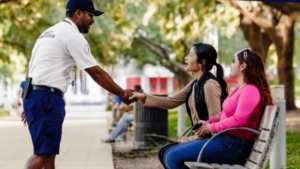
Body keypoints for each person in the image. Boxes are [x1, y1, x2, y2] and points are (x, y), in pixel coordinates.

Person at [20, 0, 135, 168]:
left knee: (49, 152)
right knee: (42, 154)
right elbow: (96, 73)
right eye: (91, 15)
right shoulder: (72, 35)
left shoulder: (49, 32)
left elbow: (30, 67)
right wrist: (122, 94)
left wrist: (28, 99)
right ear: (78, 13)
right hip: (46, 97)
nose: (93, 20)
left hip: (38, 95)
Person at [135, 49, 273, 169]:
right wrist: (205, 123)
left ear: (243, 66)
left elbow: (238, 120)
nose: (230, 65)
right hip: (226, 140)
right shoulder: (239, 89)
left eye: (233, 61)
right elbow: (223, 114)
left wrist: (211, 128)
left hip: (233, 145)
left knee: (171, 157)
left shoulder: (250, 91)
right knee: (168, 153)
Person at [129, 43, 228, 168]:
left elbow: (215, 123)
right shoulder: (195, 84)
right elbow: (171, 101)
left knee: (170, 157)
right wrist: (144, 97)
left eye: (190, 55)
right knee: (164, 152)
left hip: (215, 142)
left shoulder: (210, 85)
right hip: (205, 140)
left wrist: (192, 139)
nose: (185, 58)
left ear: (201, 63)